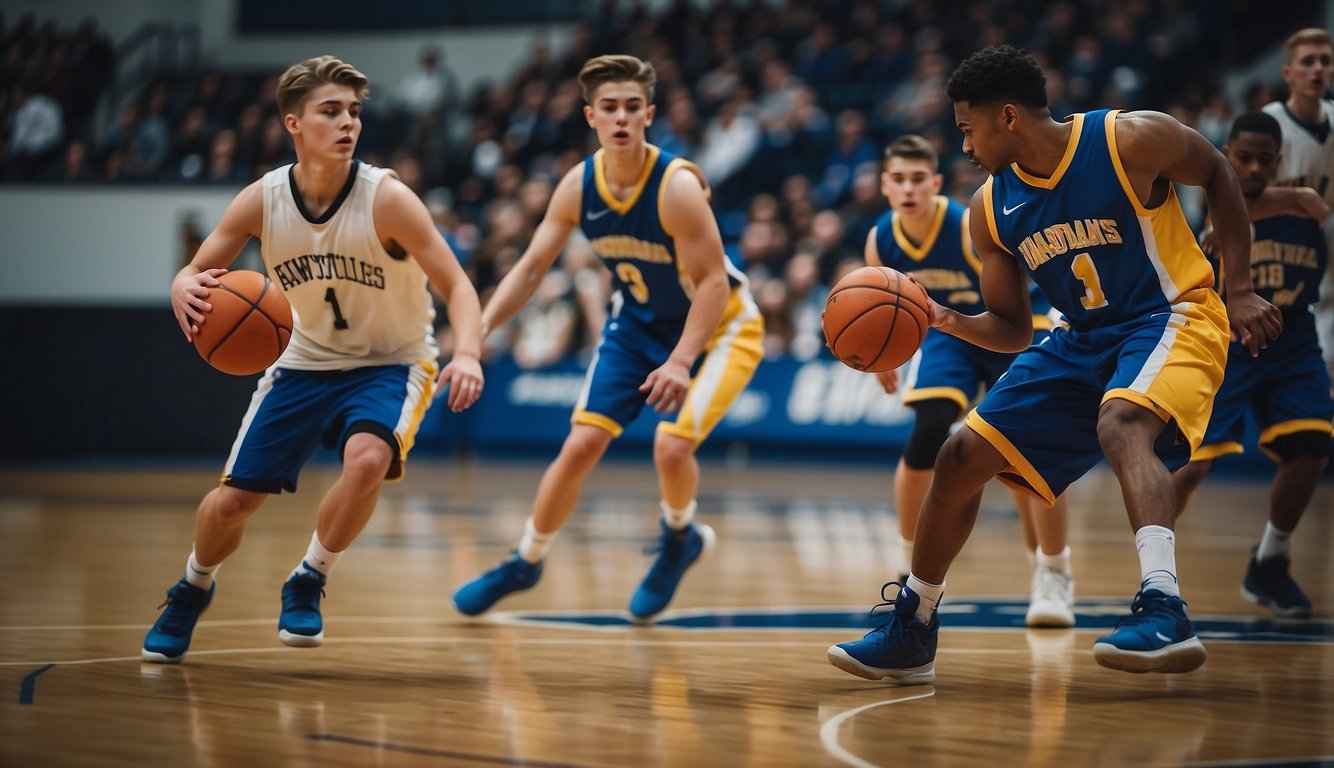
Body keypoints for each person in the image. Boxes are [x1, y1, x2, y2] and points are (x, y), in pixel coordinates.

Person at [828, 45, 1281, 683]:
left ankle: (1164, 605)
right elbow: (1014, 329)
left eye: (967, 129)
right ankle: (915, 625)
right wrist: (947, 320)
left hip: (1172, 313)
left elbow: (1217, 173)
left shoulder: (1128, 138)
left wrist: (1238, 288)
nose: (964, 146)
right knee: (958, 458)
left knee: (1121, 424)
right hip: (1079, 337)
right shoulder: (990, 210)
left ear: (1007, 116)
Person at [142, 56, 485, 663]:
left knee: (368, 458)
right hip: (301, 360)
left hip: (393, 360)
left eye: (354, 111)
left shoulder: (389, 199)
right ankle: (191, 587)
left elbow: (458, 285)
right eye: (331, 111)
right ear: (293, 123)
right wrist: (180, 284)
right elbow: (197, 268)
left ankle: (310, 576)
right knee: (234, 501)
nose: (348, 123)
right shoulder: (263, 199)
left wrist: (471, 354)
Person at [451, 54, 764, 622]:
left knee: (670, 446)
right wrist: (476, 334)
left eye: (631, 107)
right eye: (609, 108)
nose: (621, 118)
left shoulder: (675, 188)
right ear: (591, 116)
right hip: (638, 323)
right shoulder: (578, 185)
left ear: (648, 114)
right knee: (579, 447)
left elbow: (715, 283)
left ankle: (678, 538)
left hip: (720, 327)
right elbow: (530, 267)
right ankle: (526, 560)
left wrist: (681, 360)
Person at [865, 134, 1075, 628]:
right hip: (948, 333)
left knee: (1028, 449)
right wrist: (881, 357)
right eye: (899, 179)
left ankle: (1052, 569)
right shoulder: (882, 237)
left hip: (1007, 324)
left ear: (936, 183)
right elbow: (881, 307)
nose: (909, 188)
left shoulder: (963, 224)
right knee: (927, 430)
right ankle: (907, 562)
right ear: (885, 186)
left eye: (919, 178)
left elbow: (1014, 295)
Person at [1172, 111, 1331, 619]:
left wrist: (1292, 199)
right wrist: (1289, 198)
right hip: (1226, 342)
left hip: (1292, 336)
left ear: (1280, 162)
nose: (1255, 167)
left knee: (1311, 446)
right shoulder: (1214, 194)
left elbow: (1310, 203)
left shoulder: (1304, 207)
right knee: (1193, 464)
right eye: (1244, 158)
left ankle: (1271, 558)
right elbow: (1233, 210)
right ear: (1227, 156)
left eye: (1266, 159)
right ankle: (1155, 570)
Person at [1260, 28, 1334, 384]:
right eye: (1308, 62)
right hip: (1270, 251)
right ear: (1288, 73)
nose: (1317, 69)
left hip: (1319, 245)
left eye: (1325, 61)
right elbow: (1234, 193)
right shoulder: (1268, 124)